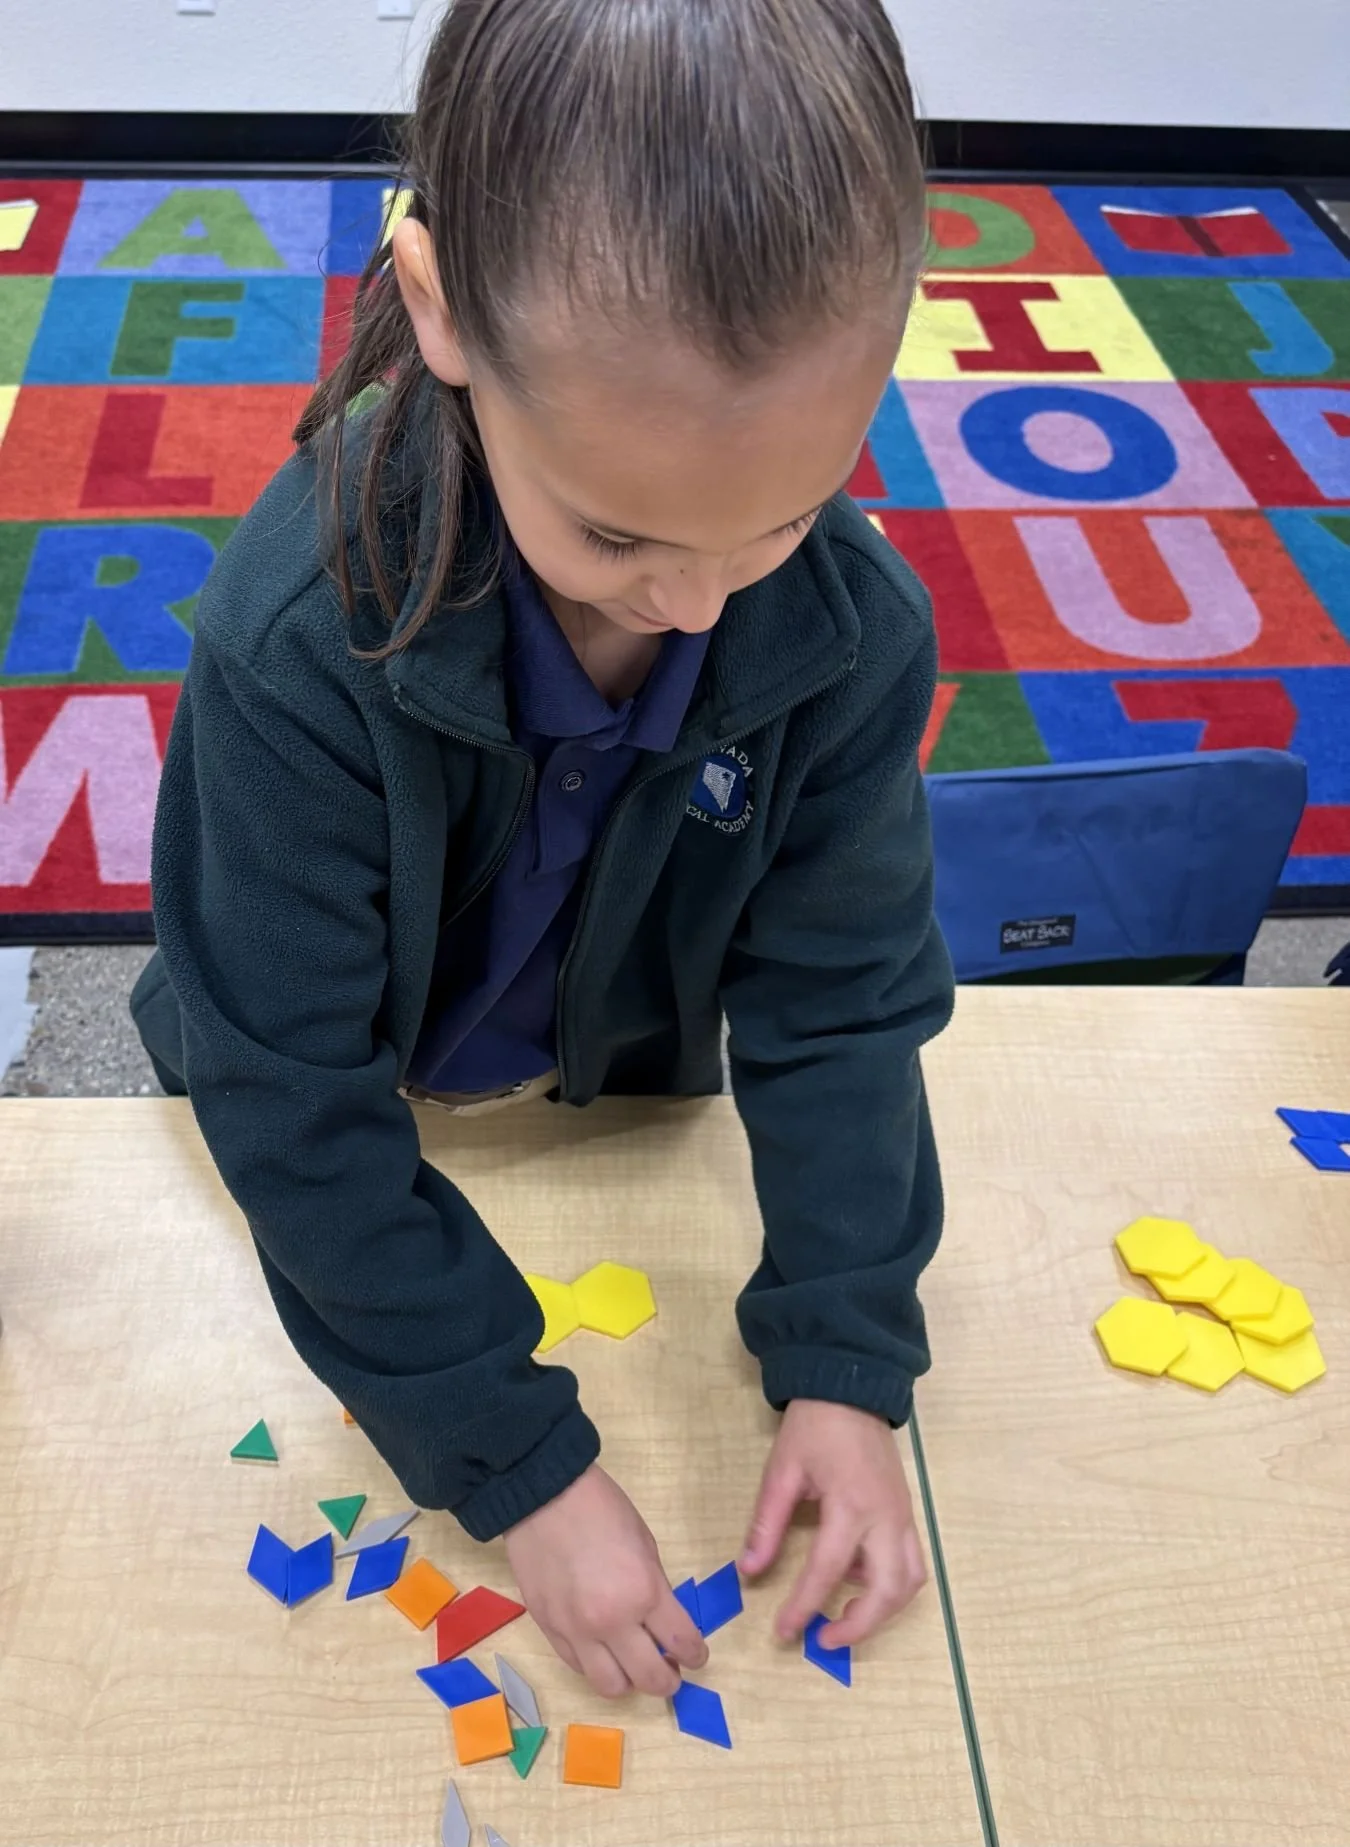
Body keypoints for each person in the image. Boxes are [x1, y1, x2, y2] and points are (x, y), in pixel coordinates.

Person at [131, 0, 954, 1703]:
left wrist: (848, 1352)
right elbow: (286, 1098)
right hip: (353, 1103)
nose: (700, 604)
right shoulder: (300, 641)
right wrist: (521, 1461)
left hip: (612, 1100)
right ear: (439, 312)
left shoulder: (848, 629)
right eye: (616, 530)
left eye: (788, 510)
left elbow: (844, 997)